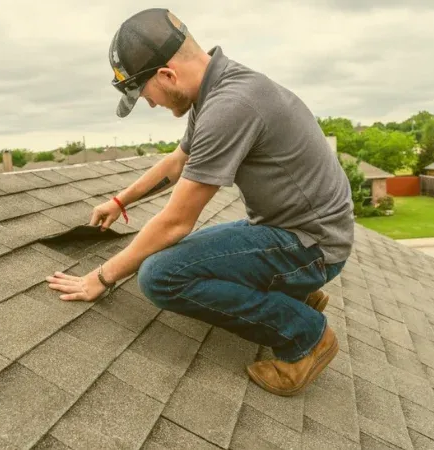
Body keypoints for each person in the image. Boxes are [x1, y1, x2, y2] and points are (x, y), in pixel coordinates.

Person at [46, 8, 354, 397]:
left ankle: (304, 334)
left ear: (167, 75)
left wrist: (100, 278)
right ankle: (294, 292)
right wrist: (119, 201)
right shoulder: (217, 88)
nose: (151, 104)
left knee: (160, 274)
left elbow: (175, 223)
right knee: (181, 255)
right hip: (298, 231)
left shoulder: (230, 106)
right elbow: (177, 163)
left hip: (312, 246)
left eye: (145, 94)